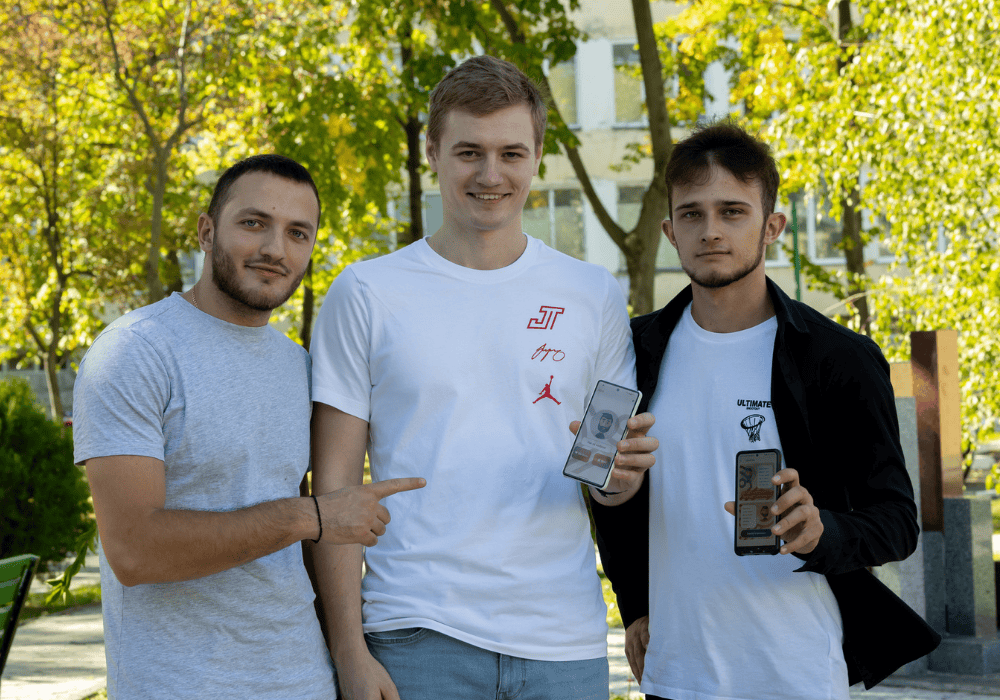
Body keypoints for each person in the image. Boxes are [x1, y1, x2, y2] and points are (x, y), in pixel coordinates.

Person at [309, 55, 657, 700]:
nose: (491, 175)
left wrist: (619, 480)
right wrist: (348, 652)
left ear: (537, 157)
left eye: (511, 154)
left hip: (563, 641)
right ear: (432, 152)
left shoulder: (593, 295)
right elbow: (332, 493)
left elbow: (603, 477)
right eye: (469, 152)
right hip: (414, 634)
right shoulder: (365, 292)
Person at [592, 121, 940, 700]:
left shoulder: (839, 359)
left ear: (772, 225)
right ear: (670, 230)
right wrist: (634, 607)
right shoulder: (630, 352)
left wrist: (821, 528)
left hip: (795, 669)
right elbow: (611, 496)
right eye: (692, 214)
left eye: (733, 211)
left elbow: (898, 523)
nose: (711, 231)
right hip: (675, 672)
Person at [73, 154, 424, 699]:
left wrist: (348, 656)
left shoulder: (299, 365)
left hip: (304, 681)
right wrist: (310, 516)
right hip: (179, 686)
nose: (274, 250)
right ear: (207, 231)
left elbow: (311, 531)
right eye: (253, 223)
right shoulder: (134, 353)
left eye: (297, 233)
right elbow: (134, 551)